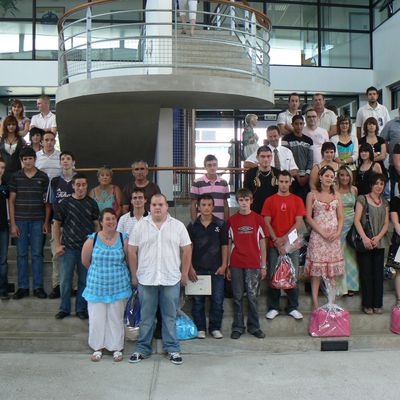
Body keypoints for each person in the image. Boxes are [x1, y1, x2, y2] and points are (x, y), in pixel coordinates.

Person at [128, 194, 192, 365]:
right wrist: (134, 275)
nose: (157, 207)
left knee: (169, 316)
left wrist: (184, 273)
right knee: (146, 317)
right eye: (154, 204)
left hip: (170, 279)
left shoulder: (177, 226)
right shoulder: (140, 226)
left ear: (166, 207)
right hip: (146, 279)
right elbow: (132, 252)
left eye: (161, 204)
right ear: (150, 206)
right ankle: (142, 349)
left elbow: (187, 250)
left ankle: (172, 349)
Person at [82, 208, 132, 362]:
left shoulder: (124, 238)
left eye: (113, 219)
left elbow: (129, 260)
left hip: (119, 287)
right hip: (97, 288)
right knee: (97, 318)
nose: (111, 222)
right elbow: (85, 261)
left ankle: (116, 348)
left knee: (115, 318)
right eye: (107, 219)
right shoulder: (93, 239)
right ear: (101, 222)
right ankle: (98, 348)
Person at [53, 173, 100, 320]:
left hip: (86, 248)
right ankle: (64, 308)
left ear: (87, 186)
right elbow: (56, 224)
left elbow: (97, 225)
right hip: (68, 248)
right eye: (77, 185)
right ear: (73, 186)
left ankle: (81, 308)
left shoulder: (92, 203)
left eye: (83, 185)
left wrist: (96, 245)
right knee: (65, 280)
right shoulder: (65, 204)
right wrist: (57, 244)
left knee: (84, 281)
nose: (80, 188)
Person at [262, 170, 306, 320]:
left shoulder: (297, 200)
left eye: (287, 182)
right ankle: (273, 307)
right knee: (274, 274)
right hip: (274, 244)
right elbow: (266, 222)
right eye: (281, 181)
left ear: (290, 183)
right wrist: (276, 240)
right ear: (277, 182)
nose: (284, 184)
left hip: (291, 244)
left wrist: (284, 239)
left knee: (292, 274)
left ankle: (292, 307)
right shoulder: (269, 200)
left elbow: (299, 222)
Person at [8, 146, 50, 299]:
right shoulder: (15, 177)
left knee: (38, 254)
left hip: (38, 221)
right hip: (20, 221)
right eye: (24, 159)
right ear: (21, 161)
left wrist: (46, 222)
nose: (27, 161)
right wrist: (13, 224)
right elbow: (11, 201)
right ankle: (23, 287)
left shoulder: (43, 177)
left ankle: (38, 287)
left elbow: (47, 203)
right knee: (21, 254)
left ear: (35, 159)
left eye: (30, 158)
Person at [227, 188, 267, 339]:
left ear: (251, 201)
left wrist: (263, 265)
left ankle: (254, 327)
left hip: (253, 264)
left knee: (252, 296)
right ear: (237, 202)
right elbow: (229, 243)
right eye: (241, 200)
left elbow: (262, 243)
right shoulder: (232, 220)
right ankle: (238, 327)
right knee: (237, 296)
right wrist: (228, 266)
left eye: (246, 200)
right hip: (236, 263)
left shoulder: (258, 219)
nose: (244, 203)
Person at [187, 194, 228, 339]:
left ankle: (215, 328)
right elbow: (187, 248)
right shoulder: (192, 226)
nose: (206, 208)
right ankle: (200, 328)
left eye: (209, 205)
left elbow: (224, 245)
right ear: (198, 206)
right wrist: (189, 268)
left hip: (216, 269)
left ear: (213, 206)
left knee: (217, 300)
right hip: (197, 270)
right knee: (198, 301)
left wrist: (224, 265)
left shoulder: (221, 224)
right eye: (203, 205)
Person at [305, 165, 345, 310]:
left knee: (331, 272)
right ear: (320, 177)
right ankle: (315, 302)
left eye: (331, 176)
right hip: (318, 236)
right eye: (326, 175)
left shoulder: (337, 195)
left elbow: (341, 217)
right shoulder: (312, 195)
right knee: (316, 271)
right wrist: (321, 232)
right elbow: (308, 218)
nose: (329, 178)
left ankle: (332, 302)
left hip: (333, 238)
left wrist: (338, 232)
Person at [354, 173, 389, 314]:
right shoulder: (362, 199)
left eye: (382, 184)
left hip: (379, 242)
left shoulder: (385, 202)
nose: (379, 186)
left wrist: (378, 237)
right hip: (365, 242)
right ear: (371, 184)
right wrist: (365, 238)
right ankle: (367, 304)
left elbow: (386, 223)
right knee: (366, 273)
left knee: (378, 274)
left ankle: (378, 304)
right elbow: (357, 220)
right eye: (377, 183)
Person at [47, 151, 77, 299]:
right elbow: (52, 203)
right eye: (63, 159)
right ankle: (57, 286)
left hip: (75, 224)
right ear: (60, 162)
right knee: (56, 256)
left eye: (68, 159)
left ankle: (74, 286)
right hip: (58, 223)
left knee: (74, 256)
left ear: (73, 162)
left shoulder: (78, 180)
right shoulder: (54, 181)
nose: (65, 161)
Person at [335, 166, 359, 296]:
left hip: (351, 225)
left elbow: (356, 208)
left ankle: (352, 286)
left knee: (351, 255)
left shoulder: (354, 190)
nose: (344, 178)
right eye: (342, 175)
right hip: (339, 224)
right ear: (338, 176)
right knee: (339, 254)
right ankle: (340, 287)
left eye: (347, 175)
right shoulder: (334, 190)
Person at [281, 114, 313, 203]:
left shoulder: (309, 140)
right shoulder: (286, 139)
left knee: (305, 204)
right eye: (296, 124)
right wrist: (297, 176)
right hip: (292, 178)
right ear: (292, 124)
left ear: (303, 124)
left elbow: (310, 160)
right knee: (291, 203)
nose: (299, 126)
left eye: (301, 124)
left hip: (306, 178)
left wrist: (307, 175)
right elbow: (286, 159)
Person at [190, 154, 230, 221]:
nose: (212, 167)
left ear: (217, 166)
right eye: (209, 165)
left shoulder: (224, 183)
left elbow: (226, 205)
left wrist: (226, 223)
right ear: (205, 167)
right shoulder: (197, 183)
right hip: (202, 222)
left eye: (214, 165)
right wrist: (195, 223)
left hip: (219, 222)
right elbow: (193, 205)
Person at [243, 145, 279, 214]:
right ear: (257, 157)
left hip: (274, 211)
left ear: (272, 157)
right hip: (255, 211)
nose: (266, 159)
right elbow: (246, 195)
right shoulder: (250, 174)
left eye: (268, 156)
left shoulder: (278, 173)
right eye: (263, 156)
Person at [381, 106, 400, 198]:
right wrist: (390, 151)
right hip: (394, 165)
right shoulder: (390, 124)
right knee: (395, 192)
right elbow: (382, 140)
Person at [0, 115, 26, 182]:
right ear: (5, 126)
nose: (11, 126)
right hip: (3, 173)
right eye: (9, 124)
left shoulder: (21, 140)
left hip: (18, 172)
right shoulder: (1, 139)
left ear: (16, 126)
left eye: (13, 124)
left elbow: (23, 158)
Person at [388, 190, 400, 306]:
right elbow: (395, 223)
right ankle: (399, 301)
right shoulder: (396, 200)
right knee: (399, 271)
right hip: (399, 238)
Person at [0, 158, 9, 300]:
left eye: (2, 167)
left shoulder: (5, 186)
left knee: (2, 260)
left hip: (3, 227)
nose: (0, 170)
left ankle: (3, 289)